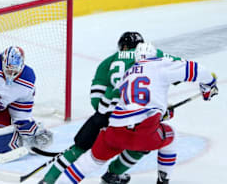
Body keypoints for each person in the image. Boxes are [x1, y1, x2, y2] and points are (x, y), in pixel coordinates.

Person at [54, 42, 218, 184]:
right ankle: (163, 180)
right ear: (155, 55)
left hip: (115, 130)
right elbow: (199, 70)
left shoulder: (127, 74)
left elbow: (114, 106)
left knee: (87, 163)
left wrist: (159, 112)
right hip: (144, 132)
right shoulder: (161, 63)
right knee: (171, 137)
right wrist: (209, 86)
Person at [40, 32, 181, 184]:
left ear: (123, 47)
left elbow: (96, 99)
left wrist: (106, 110)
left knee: (79, 148)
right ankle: (113, 174)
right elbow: (177, 70)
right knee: (140, 145)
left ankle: (49, 180)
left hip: (105, 114)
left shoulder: (107, 62)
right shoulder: (153, 55)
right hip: (135, 116)